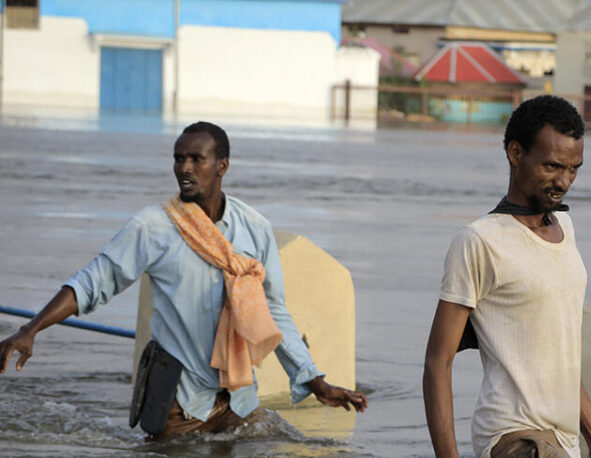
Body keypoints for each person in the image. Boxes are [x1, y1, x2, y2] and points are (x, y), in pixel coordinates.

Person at [0, 121, 367, 439]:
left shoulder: (254, 229)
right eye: (178, 159)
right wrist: (31, 329)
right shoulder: (153, 227)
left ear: (222, 166)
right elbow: (92, 283)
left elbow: (273, 312)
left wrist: (315, 382)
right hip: (177, 405)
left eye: (196, 159)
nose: (184, 168)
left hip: (237, 399)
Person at [423, 96, 591, 458]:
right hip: (515, 440)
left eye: (574, 169)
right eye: (552, 166)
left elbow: (560, 356)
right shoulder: (479, 242)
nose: (564, 180)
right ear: (515, 152)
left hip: (562, 442)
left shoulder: (566, 229)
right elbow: (437, 362)